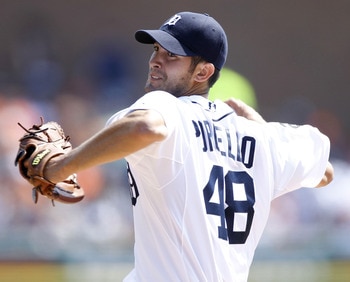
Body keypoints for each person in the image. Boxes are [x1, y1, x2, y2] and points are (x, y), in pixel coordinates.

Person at [44, 11, 334, 282]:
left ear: (203, 72)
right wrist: (259, 127)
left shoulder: (167, 107)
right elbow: (325, 173)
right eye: (156, 50)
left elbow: (146, 127)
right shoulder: (264, 140)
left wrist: (59, 166)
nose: (156, 60)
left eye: (172, 55)